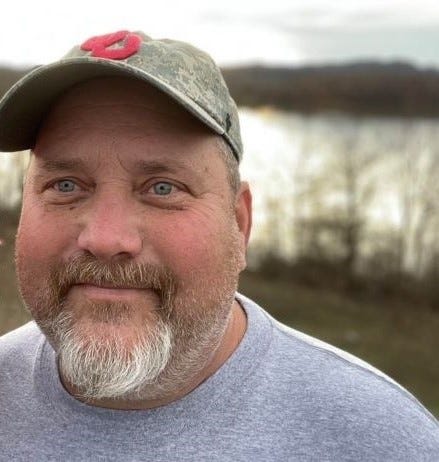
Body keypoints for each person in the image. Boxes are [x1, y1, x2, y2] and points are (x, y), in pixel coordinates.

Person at [0, 30, 437, 461]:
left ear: (239, 225)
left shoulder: (380, 439)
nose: (105, 239)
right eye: (66, 185)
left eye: (163, 188)